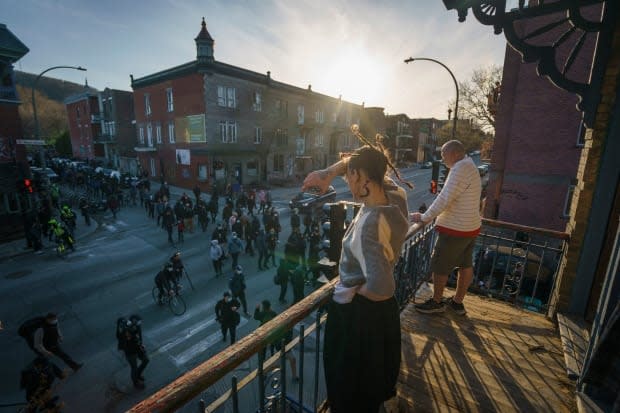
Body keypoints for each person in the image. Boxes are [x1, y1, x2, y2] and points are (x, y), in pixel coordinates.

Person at [302, 128, 412, 413]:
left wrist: (350, 295)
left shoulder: (369, 226)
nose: (348, 181)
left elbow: (382, 288)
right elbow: (373, 165)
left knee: (349, 393)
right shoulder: (396, 201)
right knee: (371, 389)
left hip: (359, 320)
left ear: (363, 177)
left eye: (351, 175)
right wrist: (331, 171)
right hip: (382, 319)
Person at [410, 140, 482, 315]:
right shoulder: (469, 165)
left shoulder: (459, 169)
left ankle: (436, 302)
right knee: (466, 265)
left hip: (455, 228)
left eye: (443, 154)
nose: (441, 158)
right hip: (470, 227)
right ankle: (457, 303)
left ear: (455, 153)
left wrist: (425, 217)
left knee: (439, 265)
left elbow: (444, 198)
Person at [117, 315, 149, 389]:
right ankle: (136, 383)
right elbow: (125, 337)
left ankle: (138, 374)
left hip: (137, 348)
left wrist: (141, 344)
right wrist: (128, 328)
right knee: (134, 367)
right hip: (130, 352)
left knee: (146, 360)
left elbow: (138, 336)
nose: (139, 323)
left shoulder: (134, 326)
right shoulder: (123, 331)